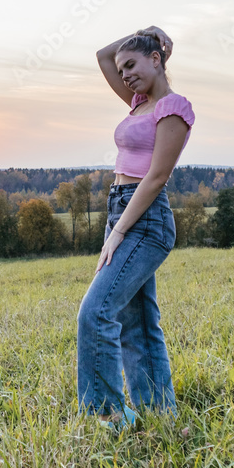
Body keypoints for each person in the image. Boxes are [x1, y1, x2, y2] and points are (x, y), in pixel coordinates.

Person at [76, 25, 195, 432]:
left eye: (132, 65)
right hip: (121, 210)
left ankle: (108, 417)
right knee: (138, 325)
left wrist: (118, 231)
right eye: (123, 69)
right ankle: (161, 419)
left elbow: (156, 176)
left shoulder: (173, 107)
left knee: (96, 312)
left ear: (157, 60)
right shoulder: (139, 102)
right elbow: (102, 55)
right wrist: (145, 30)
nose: (123, 73)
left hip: (145, 220)